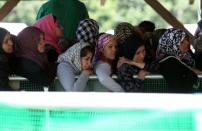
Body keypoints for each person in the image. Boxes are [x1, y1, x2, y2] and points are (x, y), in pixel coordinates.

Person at [57, 18, 99, 91]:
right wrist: (85, 74)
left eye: (91, 59)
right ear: (77, 56)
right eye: (86, 59)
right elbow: (74, 92)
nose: (89, 63)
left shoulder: (77, 66)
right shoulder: (64, 66)